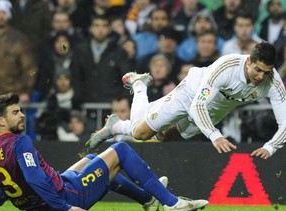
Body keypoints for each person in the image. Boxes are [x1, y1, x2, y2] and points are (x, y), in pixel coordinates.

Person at [0, 92, 208, 211]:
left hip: (41, 198)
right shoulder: (20, 142)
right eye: (15, 112)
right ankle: (171, 203)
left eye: (21, 110)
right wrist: (66, 207)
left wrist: (11, 192)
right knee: (120, 149)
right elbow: (34, 177)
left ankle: (148, 198)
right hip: (64, 197)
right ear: (1, 120)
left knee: (92, 160)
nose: (22, 115)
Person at [87, 41, 286, 160]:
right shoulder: (227, 67)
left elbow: (285, 123)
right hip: (191, 94)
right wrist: (214, 135)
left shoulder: (273, 83)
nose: (261, 76)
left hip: (214, 112)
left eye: (266, 72)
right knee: (141, 133)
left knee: (164, 137)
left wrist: (271, 147)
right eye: (258, 70)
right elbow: (198, 105)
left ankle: (116, 126)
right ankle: (139, 86)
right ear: (249, 61)